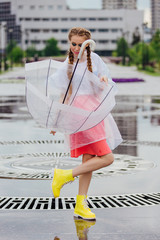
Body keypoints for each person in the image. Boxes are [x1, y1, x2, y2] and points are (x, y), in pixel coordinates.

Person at [50, 27, 122, 221]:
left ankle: (80, 204)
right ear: (69, 43)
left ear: (87, 45)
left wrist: (103, 79)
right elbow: (64, 96)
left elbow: (102, 81)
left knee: (88, 162)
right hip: (78, 115)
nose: (76, 48)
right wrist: (56, 121)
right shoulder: (68, 65)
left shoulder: (95, 60)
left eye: (80, 45)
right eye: (73, 43)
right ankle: (64, 175)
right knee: (107, 158)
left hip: (94, 113)